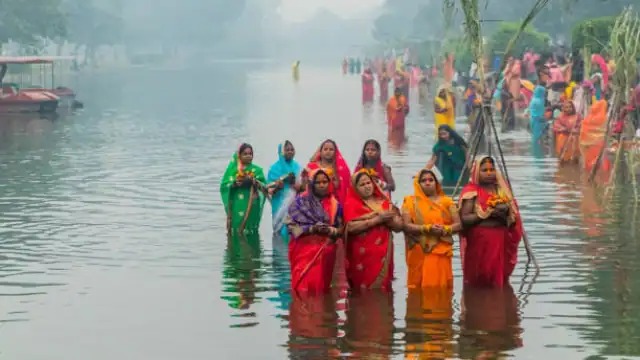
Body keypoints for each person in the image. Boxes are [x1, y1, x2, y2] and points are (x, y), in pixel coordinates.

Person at [459, 156, 523, 288]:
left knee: (497, 281)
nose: (489, 173)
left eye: (492, 169)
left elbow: (512, 219)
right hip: (480, 243)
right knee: (479, 279)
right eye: (484, 170)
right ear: (477, 172)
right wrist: (486, 214)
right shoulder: (471, 191)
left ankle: (497, 305)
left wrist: (505, 212)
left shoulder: (501, 190)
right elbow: (464, 219)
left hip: (500, 241)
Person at [343, 170, 403, 291]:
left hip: (383, 254)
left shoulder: (384, 202)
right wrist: (377, 219)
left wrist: (389, 219)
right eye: (362, 185)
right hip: (361, 257)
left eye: (368, 183)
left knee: (383, 291)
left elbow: (399, 227)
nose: (367, 187)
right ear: (355, 188)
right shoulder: (351, 204)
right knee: (361, 292)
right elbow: (350, 228)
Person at [402, 169, 461, 289]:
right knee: (417, 290)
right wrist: (427, 228)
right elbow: (406, 225)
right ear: (418, 184)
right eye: (423, 180)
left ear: (436, 183)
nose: (427, 183)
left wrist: (445, 230)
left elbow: (458, 225)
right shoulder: (409, 202)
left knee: (440, 288)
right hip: (418, 250)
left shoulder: (447, 202)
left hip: (440, 249)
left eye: (431, 180)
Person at [286, 168, 342, 293]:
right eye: (318, 182)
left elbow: (341, 229)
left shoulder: (335, 204)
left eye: (325, 182)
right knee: (303, 289)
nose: (322, 185)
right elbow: (291, 226)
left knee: (321, 292)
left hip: (326, 252)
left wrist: (331, 231)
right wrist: (312, 229)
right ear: (312, 184)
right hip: (303, 251)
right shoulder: (299, 203)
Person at [220, 143, 269, 234]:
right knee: (236, 229)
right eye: (245, 154)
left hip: (252, 204)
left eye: (250, 154)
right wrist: (234, 184)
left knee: (251, 230)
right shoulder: (233, 171)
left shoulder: (257, 170)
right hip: (237, 204)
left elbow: (264, 187)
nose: (248, 156)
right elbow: (224, 186)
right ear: (239, 155)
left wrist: (253, 182)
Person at [268, 140, 303, 237]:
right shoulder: (274, 169)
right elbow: (269, 190)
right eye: (287, 150)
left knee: (293, 232)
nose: (290, 152)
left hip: (295, 204)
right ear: (281, 152)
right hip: (279, 204)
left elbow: (303, 187)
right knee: (279, 233)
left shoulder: (297, 167)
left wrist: (297, 185)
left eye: (292, 149)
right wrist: (278, 186)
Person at [306, 139, 351, 204]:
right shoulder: (311, 166)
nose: (328, 151)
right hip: (313, 202)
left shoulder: (340, 169)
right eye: (325, 149)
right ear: (320, 152)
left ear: (335, 152)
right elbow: (306, 186)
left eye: (331, 149)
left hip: (333, 203)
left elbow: (338, 186)